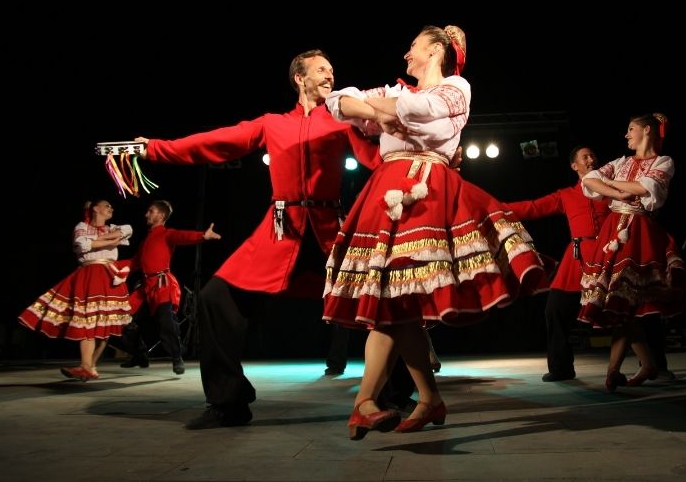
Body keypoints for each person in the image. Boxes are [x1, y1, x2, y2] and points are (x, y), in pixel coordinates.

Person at [135, 49, 383, 429]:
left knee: (379, 302)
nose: (330, 75)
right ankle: (228, 403)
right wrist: (155, 147)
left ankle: (395, 395)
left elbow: (379, 157)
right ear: (299, 78)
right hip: (281, 230)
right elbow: (215, 141)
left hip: (329, 230)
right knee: (215, 299)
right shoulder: (272, 124)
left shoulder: (342, 118)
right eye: (321, 70)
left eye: (332, 69)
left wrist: (431, 161)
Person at [323, 24, 549, 440]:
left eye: (413, 47)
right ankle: (419, 399)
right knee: (392, 299)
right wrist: (378, 109)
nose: (406, 55)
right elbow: (338, 103)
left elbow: (417, 113)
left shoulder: (456, 88)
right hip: (385, 188)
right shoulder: (399, 91)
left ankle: (372, 402)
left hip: (426, 187)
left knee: (398, 297)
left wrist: (376, 110)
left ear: (435, 51)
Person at [506, 146, 682, 382]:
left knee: (639, 309)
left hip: (612, 255)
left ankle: (656, 365)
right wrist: (495, 208)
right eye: (584, 157)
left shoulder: (612, 189)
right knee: (554, 310)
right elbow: (533, 207)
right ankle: (561, 368)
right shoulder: (565, 195)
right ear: (574, 165)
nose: (591, 159)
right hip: (577, 259)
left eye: (593, 156)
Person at [577, 112, 681, 391]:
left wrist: (612, 186)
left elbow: (645, 188)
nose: (626, 135)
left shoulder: (663, 162)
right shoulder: (621, 162)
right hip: (614, 230)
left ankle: (630, 367)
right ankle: (637, 366)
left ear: (646, 131)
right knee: (620, 303)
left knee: (626, 301)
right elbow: (590, 180)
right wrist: (618, 192)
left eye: (631, 129)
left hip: (639, 233)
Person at [18, 199, 133, 380]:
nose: (111, 208)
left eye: (111, 206)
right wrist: (107, 239)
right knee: (87, 319)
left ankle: (90, 366)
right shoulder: (81, 226)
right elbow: (83, 245)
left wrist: (97, 240)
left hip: (107, 275)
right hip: (88, 275)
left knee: (105, 324)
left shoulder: (115, 227)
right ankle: (86, 366)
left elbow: (126, 231)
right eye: (107, 205)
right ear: (96, 208)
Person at [118, 200, 221, 375]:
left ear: (161, 215)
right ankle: (140, 354)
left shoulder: (167, 234)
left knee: (166, 321)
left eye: (150, 211)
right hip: (145, 287)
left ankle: (176, 356)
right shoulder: (146, 241)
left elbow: (183, 236)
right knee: (120, 316)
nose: (146, 214)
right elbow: (135, 262)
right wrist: (107, 265)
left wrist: (203, 235)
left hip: (161, 285)